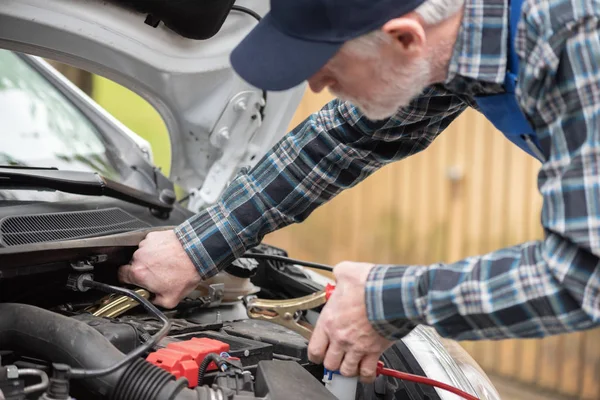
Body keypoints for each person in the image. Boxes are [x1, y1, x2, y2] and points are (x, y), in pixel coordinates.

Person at [118, 0, 600, 383]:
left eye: (327, 64)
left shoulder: (577, 42)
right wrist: (195, 245)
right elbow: (342, 139)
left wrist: (389, 302)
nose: (315, 82)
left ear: (405, 39)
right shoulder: (456, 37)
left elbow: (583, 274)